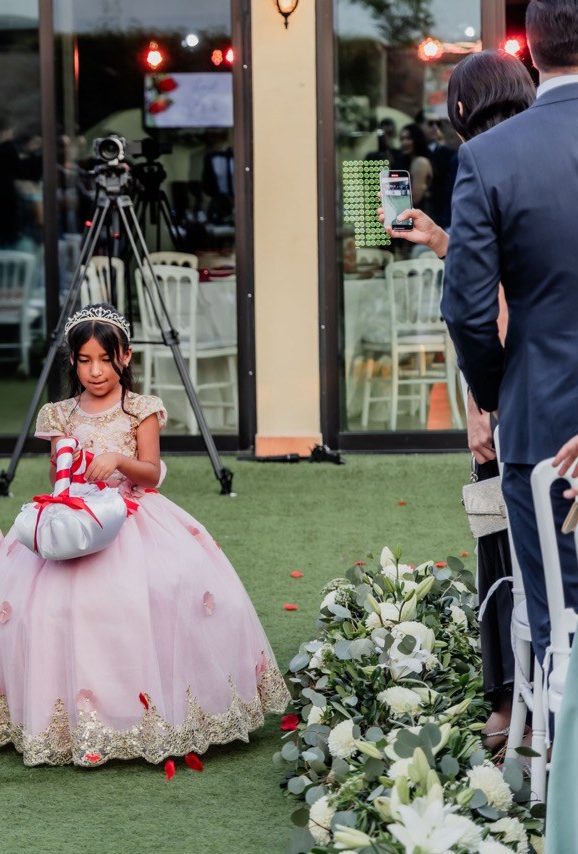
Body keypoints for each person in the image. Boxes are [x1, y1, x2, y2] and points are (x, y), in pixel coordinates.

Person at [0, 305, 288, 766]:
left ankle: (150, 712)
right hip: (77, 517)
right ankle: (72, 717)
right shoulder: (59, 413)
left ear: (125, 356)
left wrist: (118, 462)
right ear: (73, 362)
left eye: (105, 358)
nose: (95, 371)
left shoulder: (141, 409)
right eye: (84, 360)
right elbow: (57, 475)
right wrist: (72, 475)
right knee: (56, 609)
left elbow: (152, 473)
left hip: (132, 514)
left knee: (152, 600)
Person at [379, 49, 536, 751]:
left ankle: (508, 704)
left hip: (517, 390)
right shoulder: (546, 152)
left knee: (501, 544)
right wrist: (444, 241)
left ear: (463, 112)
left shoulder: (484, 163)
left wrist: (485, 400)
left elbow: (486, 303)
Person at [443, 0, 578, 786]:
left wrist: (499, 393)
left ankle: (568, 785)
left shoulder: (492, 157)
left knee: (561, 608)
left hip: (541, 418)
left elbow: (467, 306)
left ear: (533, 57)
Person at [397, 123, 432, 210]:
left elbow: (415, 199)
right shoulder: (409, 162)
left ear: (417, 139)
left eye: (408, 138)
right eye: (402, 139)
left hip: (422, 216)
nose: (404, 143)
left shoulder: (420, 162)